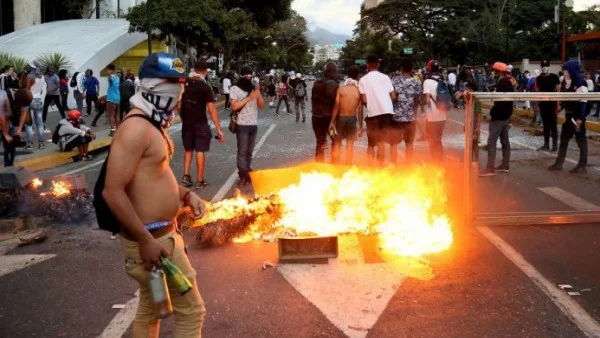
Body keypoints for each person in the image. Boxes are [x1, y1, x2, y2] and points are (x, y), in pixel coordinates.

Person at [102, 52, 207, 337]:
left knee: (150, 310)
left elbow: (155, 176)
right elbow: (112, 192)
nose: (178, 89)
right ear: (150, 85)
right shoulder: (136, 128)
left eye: (181, 82)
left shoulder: (153, 123)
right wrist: (146, 240)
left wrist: (185, 195)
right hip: (153, 242)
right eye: (171, 82)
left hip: (162, 237)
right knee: (191, 311)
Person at [180, 61, 226, 189]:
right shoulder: (205, 87)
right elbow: (211, 109)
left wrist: (183, 116)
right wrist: (219, 129)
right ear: (205, 72)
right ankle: (200, 180)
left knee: (188, 149)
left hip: (187, 123)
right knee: (200, 150)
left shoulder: (184, 83)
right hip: (200, 122)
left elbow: (178, 102)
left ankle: (186, 176)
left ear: (193, 69)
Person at [549, 60, 589, 174]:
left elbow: (583, 102)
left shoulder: (581, 83)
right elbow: (566, 99)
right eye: (564, 70)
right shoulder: (564, 82)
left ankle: (582, 165)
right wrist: (560, 107)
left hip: (577, 117)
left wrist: (580, 118)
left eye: (566, 70)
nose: (565, 72)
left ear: (572, 70)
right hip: (568, 116)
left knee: (581, 141)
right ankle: (559, 163)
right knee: (564, 140)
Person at [230, 66, 265, 187]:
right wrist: (249, 98)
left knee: (249, 151)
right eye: (246, 75)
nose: (249, 77)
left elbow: (261, 105)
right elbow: (234, 107)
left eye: (251, 75)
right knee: (242, 151)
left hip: (253, 124)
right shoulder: (235, 88)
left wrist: (258, 93)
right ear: (241, 75)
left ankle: (248, 171)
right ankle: (242, 175)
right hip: (242, 124)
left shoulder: (253, 88)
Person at [359, 55, 396, 165]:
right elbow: (393, 96)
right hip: (387, 113)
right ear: (378, 64)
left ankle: (370, 167)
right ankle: (380, 168)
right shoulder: (385, 77)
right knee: (381, 142)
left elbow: (364, 99)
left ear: (367, 65)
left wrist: (372, 105)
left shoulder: (363, 80)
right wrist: (386, 104)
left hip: (373, 115)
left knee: (371, 143)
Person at [480, 62, 514, 177]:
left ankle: (490, 168)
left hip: (499, 117)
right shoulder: (507, 81)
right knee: (505, 141)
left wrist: (493, 113)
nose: (493, 73)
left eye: (495, 71)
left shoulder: (502, 82)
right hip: (506, 116)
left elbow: (500, 102)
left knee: (491, 142)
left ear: (499, 72)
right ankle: (505, 165)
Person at [329, 66, 363, 165]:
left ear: (347, 76)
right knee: (350, 145)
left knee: (337, 143)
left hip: (340, 118)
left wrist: (332, 122)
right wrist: (360, 126)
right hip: (352, 119)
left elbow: (336, 107)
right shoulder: (358, 91)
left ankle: (335, 165)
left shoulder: (341, 90)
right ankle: (348, 166)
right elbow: (360, 110)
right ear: (357, 77)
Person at [389, 58, 420, 164]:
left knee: (393, 143)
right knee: (409, 144)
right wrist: (414, 114)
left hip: (396, 117)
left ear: (401, 68)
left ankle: (394, 165)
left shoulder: (394, 81)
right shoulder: (415, 82)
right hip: (410, 118)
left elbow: (391, 98)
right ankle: (408, 165)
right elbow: (417, 100)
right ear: (411, 70)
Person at [312, 63, 339, 163]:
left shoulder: (316, 83)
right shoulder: (333, 84)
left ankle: (319, 164)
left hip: (316, 118)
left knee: (320, 141)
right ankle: (334, 162)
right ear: (333, 72)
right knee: (335, 139)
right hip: (328, 120)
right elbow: (336, 103)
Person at [423, 60, 448, 162]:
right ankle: (439, 160)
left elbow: (427, 100)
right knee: (438, 139)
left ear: (429, 69)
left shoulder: (427, 82)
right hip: (442, 115)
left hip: (432, 117)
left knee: (432, 140)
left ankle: (435, 161)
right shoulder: (443, 80)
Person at [536, 60, 561, 151]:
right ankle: (546, 144)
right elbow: (537, 92)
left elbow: (558, 92)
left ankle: (555, 145)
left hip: (552, 103)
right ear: (541, 67)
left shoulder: (554, 77)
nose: (545, 67)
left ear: (549, 66)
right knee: (545, 125)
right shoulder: (539, 78)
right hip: (543, 104)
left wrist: (558, 104)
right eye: (543, 65)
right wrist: (538, 105)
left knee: (553, 125)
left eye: (546, 65)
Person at [26, 68, 47, 149]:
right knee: (40, 123)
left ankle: (30, 144)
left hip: (30, 100)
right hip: (38, 99)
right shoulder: (42, 76)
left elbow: (27, 89)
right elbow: (43, 89)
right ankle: (42, 143)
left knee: (28, 123)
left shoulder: (30, 76)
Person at [105, 64, 121, 136]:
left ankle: (113, 131)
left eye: (107, 70)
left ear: (111, 70)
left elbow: (110, 79)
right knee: (117, 114)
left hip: (111, 98)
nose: (107, 71)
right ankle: (118, 129)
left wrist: (109, 75)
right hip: (118, 97)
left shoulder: (111, 76)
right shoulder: (117, 77)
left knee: (110, 114)